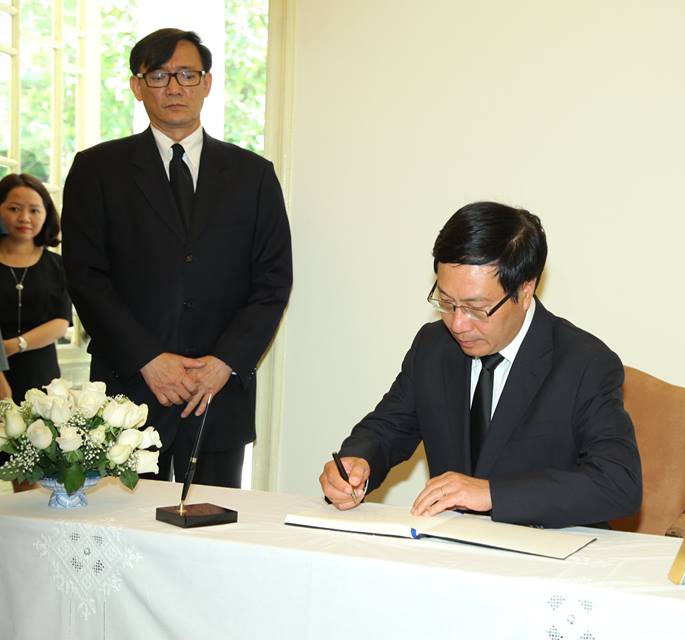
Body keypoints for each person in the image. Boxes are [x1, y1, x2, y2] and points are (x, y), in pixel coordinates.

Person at [61, 28, 293, 488]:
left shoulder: (253, 175)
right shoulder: (97, 170)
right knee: (119, 525)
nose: (174, 87)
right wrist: (148, 358)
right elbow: (86, 278)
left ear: (207, 83)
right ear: (137, 86)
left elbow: (272, 282)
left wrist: (223, 362)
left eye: (187, 74)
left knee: (213, 520)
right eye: (159, 75)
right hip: (127, 391)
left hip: (218, 393)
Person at [320, 202, 641, 528]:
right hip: (451, 548)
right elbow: (387, 428)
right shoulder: (434, 347)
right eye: (446, 302)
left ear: (525, 290)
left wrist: (491, 494)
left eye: (476, 308)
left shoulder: (584, 363)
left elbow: (618, 483)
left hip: (542, 551)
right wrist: (358, 461)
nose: (458, 324)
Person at [0, 174, 71, 403]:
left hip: (41, 375)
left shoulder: (59, 265)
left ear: (46, 214)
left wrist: (13, 346)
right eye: (14, 208)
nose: (24, 218)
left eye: (34, 210)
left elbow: (61, 323)